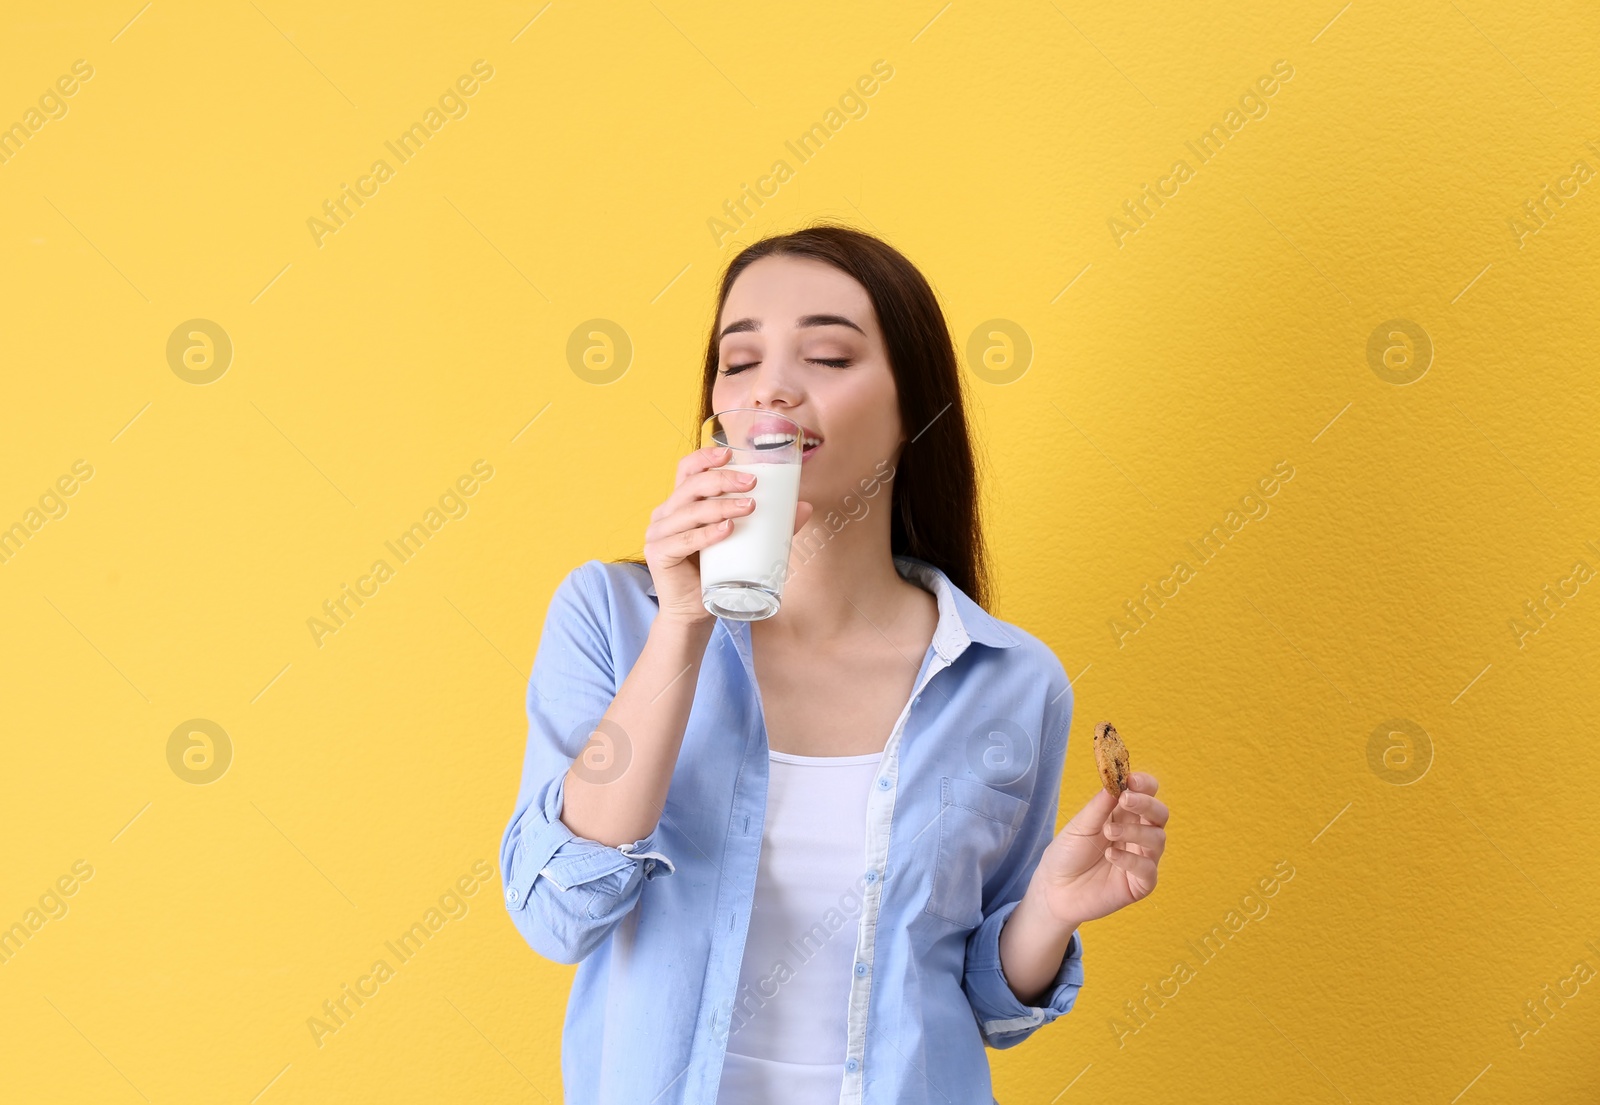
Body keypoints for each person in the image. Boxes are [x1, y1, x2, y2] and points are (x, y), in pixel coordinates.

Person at [499, 222, 1170, 1104]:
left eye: (827, 354)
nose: (771, 387)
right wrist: (687, 621)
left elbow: (983, 1000)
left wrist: (1047, 910)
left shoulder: (1010, 678)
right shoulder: (614, 617)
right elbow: (558, 913)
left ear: (912, 408)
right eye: (738, 363)